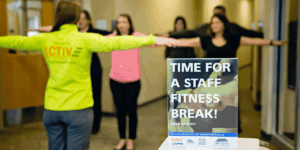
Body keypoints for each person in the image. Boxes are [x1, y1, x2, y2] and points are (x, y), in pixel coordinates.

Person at [0, 1, 177, 150]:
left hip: (52, 110)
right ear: (77, 18)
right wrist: (153, 39)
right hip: (79, 109)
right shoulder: (85, 39)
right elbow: (118, 41)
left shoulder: (47, 39)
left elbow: (17, 41)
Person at [172, 14, 288, 133]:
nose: (214, 25)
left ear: (224, 24)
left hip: (228, 82)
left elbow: (253, 41)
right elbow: (185, 42)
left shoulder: (233, 39)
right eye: (212, 23)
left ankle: (229, 134)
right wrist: (165, 41)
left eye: (217, 23)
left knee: (228, 111)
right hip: (212, 82)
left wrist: (273, 42)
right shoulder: (206, 40)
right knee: (211, 109)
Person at [106, 13, 163, 150]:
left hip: (132, 82)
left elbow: (151, 41)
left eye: (124, 22)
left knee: (131, 111)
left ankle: (131, 139)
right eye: (119, 22)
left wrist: (169, 39)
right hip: (115, 81)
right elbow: (95, 41)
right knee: (120, 111)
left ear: (129, 24)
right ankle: (121, 139)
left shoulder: (136, 37)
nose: (121, 25)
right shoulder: (113, 38)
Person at [167, 5, 264, 42]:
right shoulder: (206, 28)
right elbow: (189, 33)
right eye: (214, 16)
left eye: (219, 16)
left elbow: (249, 34)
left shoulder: (233, 28)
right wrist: (169, 35)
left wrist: (262, 34)